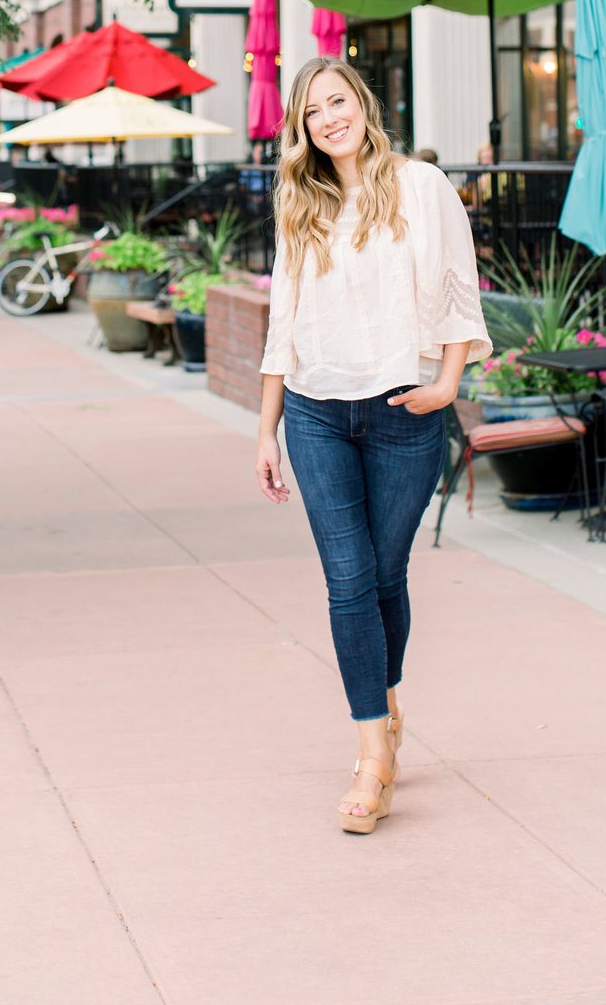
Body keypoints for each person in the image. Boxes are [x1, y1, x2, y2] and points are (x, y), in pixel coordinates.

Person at [255, 57, 490, 834]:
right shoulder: (303, 201)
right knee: (348, 578)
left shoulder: (421, 187)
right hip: (318, 411)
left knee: (387, 575)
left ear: (362, 103)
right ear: (302, 131)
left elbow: (461, 285)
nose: (328, 118)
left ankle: (383, 706)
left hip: (403, 409)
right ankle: (372, 752)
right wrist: (267, 426)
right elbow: (282, 316)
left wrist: (449, 383)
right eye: (311, 112)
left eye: (337, 101)